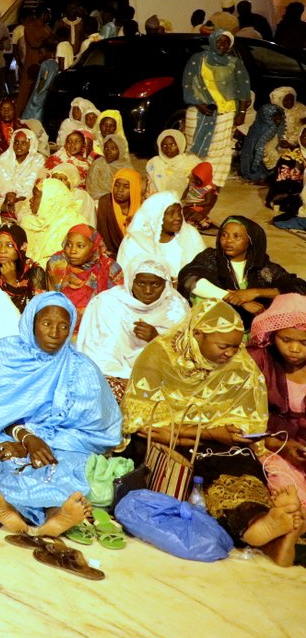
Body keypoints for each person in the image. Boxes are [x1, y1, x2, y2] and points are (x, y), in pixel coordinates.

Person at [122, 298, 301, 565]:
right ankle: (256, 531)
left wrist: (229, 435)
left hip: (217, 441)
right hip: (168, 444)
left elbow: (249, 422)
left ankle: (259, 522)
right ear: (197, 334)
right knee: (203, 468)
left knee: (239, 460)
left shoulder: (240, 366)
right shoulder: (158, 357)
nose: (230, 353)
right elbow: (142, 423)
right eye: (223, 346)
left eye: (236, 345)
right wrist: (209, 433)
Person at [0, 293, 122, 539]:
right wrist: (25, 438)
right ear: (31, 322)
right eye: (46, 323)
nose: (54, 333)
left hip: (61, 441)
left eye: (64, 326)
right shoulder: (4, 355)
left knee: (60, 463)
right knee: (0, 458)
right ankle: (12, 511)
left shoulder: (81, 368)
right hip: (6, 434)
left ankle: (57, 514)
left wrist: (40, 440)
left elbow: (97, 430)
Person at [73, 255, 189, 394]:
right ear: (130, 282)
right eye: (141, 284)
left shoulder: (177, 306)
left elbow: (185, 356)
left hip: (159, 376)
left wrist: (157, 339)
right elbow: (99, 353)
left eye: (155, 284)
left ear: (166, 284)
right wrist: (123, 378)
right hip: (113, 375)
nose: (148, 291)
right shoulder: (108, 303)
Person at [176, 215, 304, 323]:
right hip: (217, 328)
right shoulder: (211, 257)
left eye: (237, 236)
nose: (228, 241)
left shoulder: (262, 266)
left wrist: (255, 292)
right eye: (224, 235)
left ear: (250, 241)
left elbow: (298, 286)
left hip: (254, 325)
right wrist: (237, 300)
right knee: (201, 298)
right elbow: (189, 278)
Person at [248, 296, 306, 509]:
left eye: (304, 342)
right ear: (273, 337)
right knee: (289, 492)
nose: (294, 349)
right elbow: (243, 415)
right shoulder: (260, 362)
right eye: (286, 340)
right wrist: (277, 444)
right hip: (273, 448)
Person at [181, 29, 252, 187]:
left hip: (225, 113)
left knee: (218, 150)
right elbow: (187, 84)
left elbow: (243, 89)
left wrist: (241, 112)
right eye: (219, 41)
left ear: (230, 45)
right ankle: (190, 182)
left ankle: (209, 185)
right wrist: (200, 104)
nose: (222, 45)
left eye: (226, 42)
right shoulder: (198, 59)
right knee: (193, 147)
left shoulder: (234, 63)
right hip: (197, 111)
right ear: (212, 41)